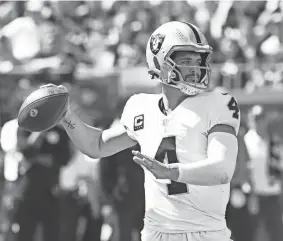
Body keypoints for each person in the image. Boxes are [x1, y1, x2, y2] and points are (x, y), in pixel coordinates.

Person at [42, 21, 240, 241]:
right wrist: (67, 116)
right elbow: (97, 146)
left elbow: (222, 169)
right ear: (161, 63)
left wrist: (172, 172)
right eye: (186, 60)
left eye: (198, 60)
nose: (196, 68)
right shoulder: (141, 107)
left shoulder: (218, 103)